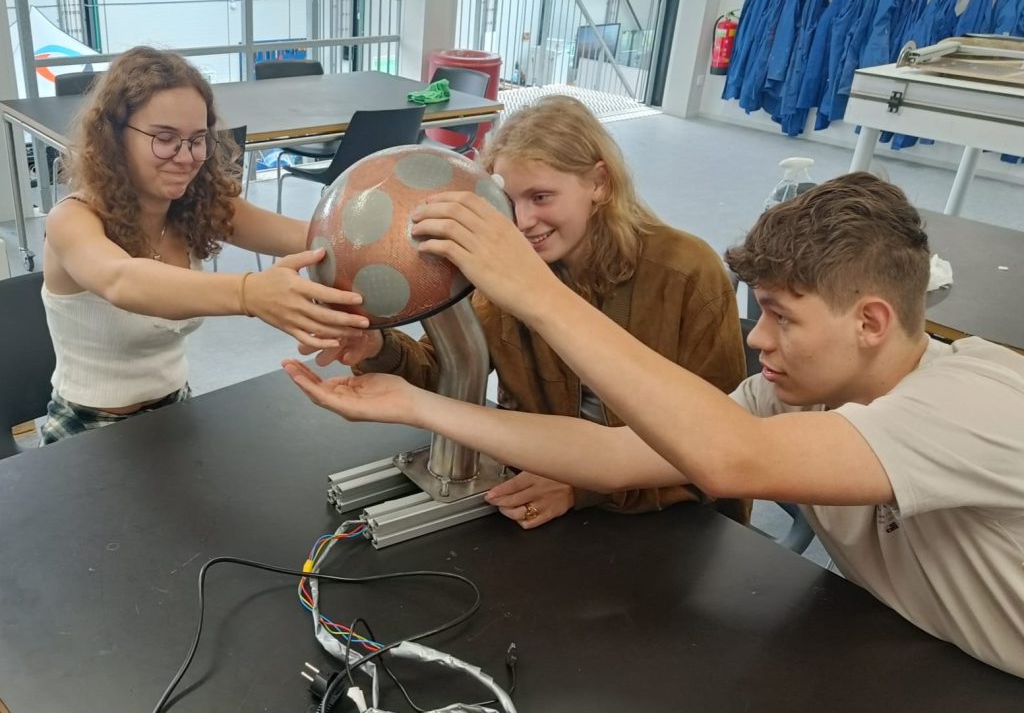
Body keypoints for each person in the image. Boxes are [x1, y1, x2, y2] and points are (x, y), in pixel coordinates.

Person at [284, 172, 1024, 678]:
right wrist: (416, 403)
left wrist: (537, 291)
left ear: (871, 321)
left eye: (782, 316)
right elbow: (613, 454)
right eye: (758, 309)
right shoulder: (797, 398)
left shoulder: (974, 402)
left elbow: (733, 462)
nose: (758, 339)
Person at [303, 95, 747, 527]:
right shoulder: (503, 264)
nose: (522, 222)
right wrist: (375, 346)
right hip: (530, 495)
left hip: (665, 525)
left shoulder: (688, 272)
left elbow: (725, 446)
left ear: (599, 183)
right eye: (507, 201)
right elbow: (452, 376)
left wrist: (582, 487)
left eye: (541, 197)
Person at [41, 46, 367, 443]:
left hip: (175, 412)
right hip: (85, 428)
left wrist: (395, 239)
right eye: (164, 139)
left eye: (198, 140)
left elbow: (311, 237)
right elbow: (122, 281)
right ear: (115, 138)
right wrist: (250, 292)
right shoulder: (72, 219)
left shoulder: (197, 205)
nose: (185, 157)